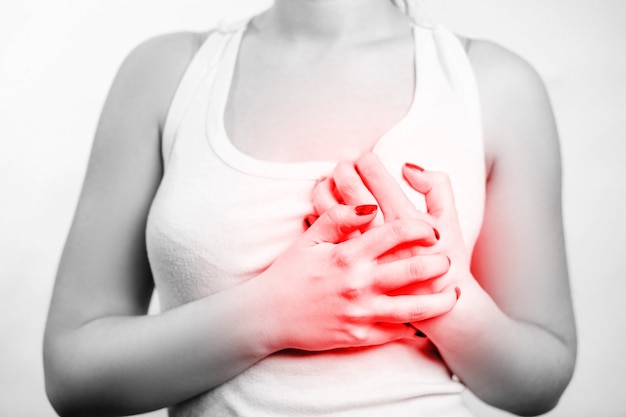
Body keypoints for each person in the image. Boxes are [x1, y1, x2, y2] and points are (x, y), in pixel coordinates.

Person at [43, 0, 577, 416]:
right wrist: (271, 313)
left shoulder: (495, 83)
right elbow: (73, 374)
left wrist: (445, 297)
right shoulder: (166, 73)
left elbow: (542, 378)